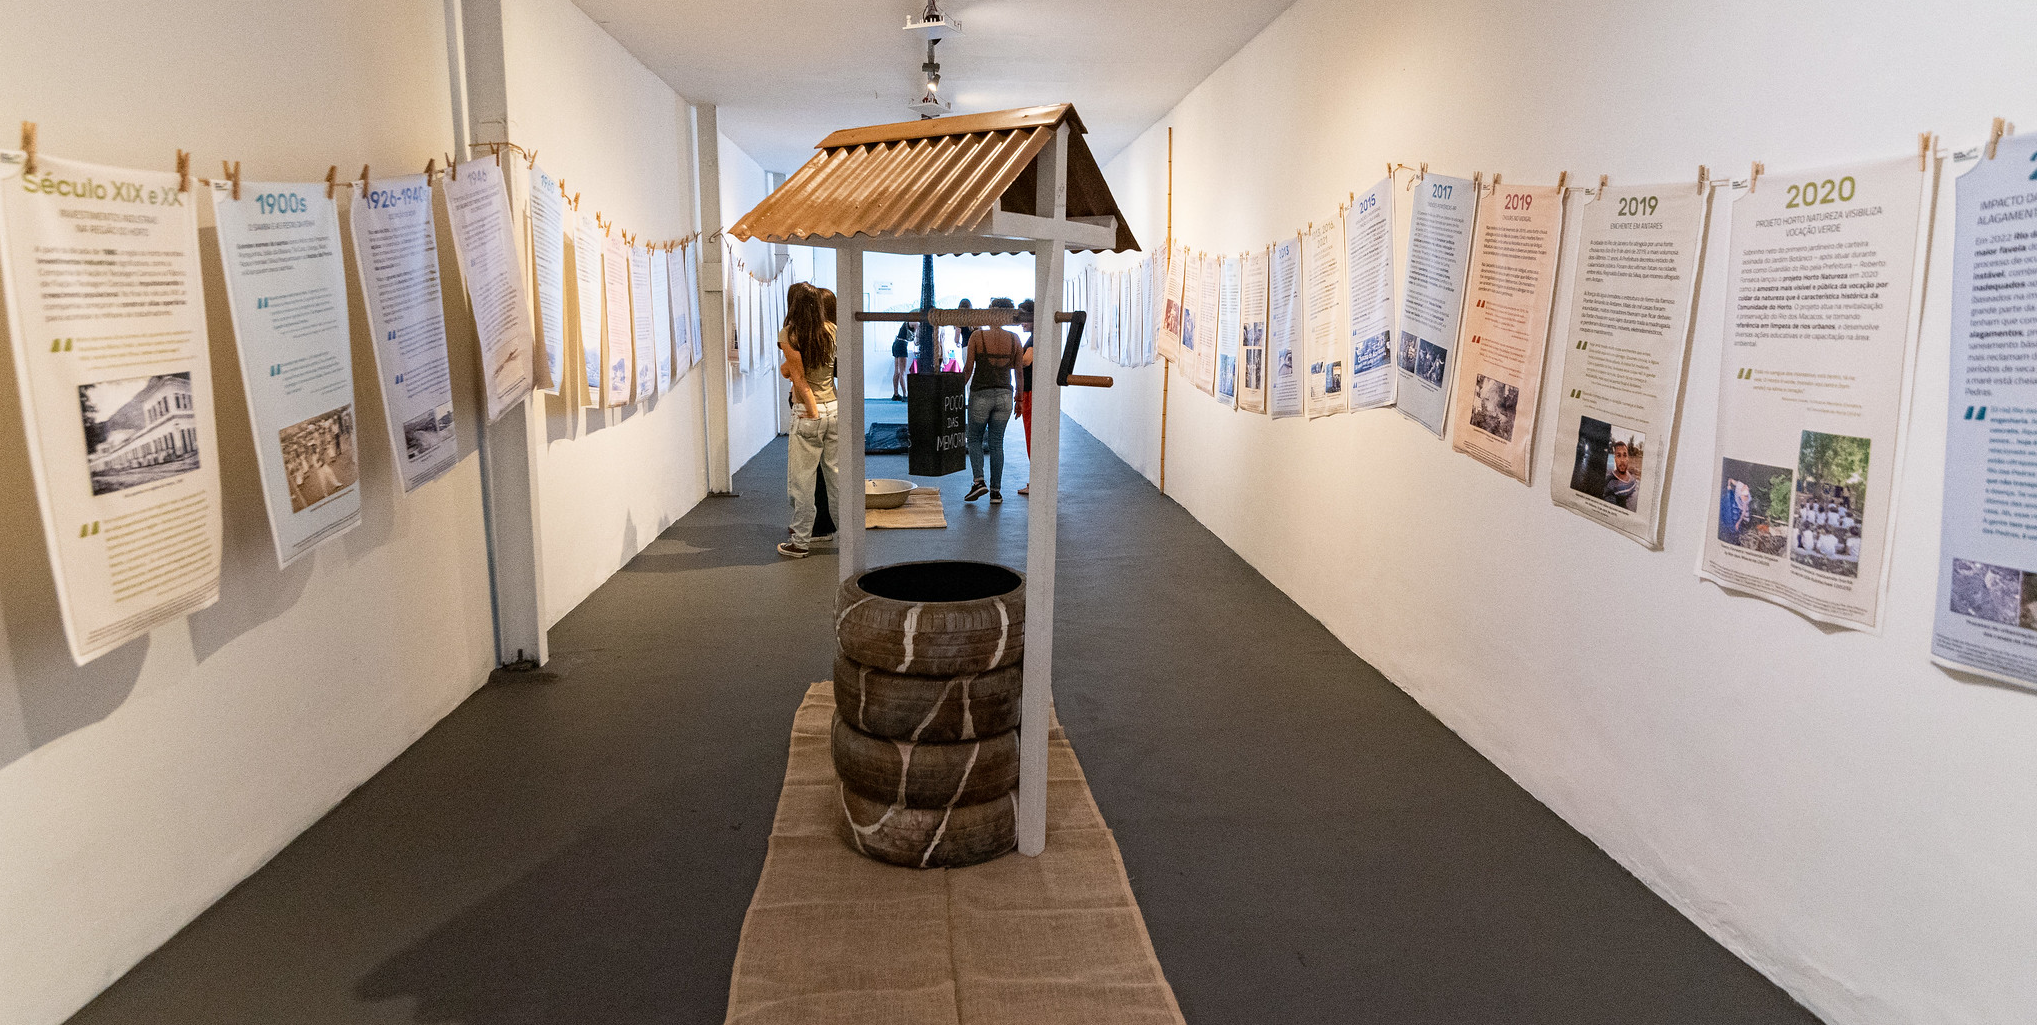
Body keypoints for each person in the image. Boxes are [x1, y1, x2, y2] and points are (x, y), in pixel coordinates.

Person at [777, 282, 839, 559]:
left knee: (802, 483)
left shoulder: (789, 334)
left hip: (807, 412)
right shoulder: (832, 330)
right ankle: (850, 538)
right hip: (834, 408)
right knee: (836, 479)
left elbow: (800, 379)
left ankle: (801, 542)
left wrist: (812, 412)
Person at [961, 297, 1023, 503]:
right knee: (997, 443)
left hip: (981, 394)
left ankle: (979, 481)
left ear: (991, 313)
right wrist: (1019, 399)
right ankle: (996, 492)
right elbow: (1019, 373)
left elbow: (968, 369)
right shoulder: (1014, 339)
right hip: (1005, 396)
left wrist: (954, 390)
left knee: (974, 438)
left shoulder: (977, 336)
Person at [1015, 298, 1038, 496]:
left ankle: (1036, 483)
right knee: (1033, 438)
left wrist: (1010, 356)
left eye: (1025, 318)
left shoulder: (1034, 338)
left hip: (1030, 393)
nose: (1021, 322)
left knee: (1032, 438)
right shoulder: (1034, 337)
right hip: (1029, 391)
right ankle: (1036, 481)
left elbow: (1026, 361)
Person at [1600, 440, 1638, 510]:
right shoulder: (1610, 482)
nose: (1622, 460)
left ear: (1628, 458)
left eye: (1625, 455)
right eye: (1618, 455)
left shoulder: (1631, 474)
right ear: (1615, 459)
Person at [890, 322, 912, 401]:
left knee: (897, 371)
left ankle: (896, 394)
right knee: (902, 372)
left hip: (896, 344)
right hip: (902, 345)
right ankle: (905, 395)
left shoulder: (905, 323)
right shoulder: (915, 323)